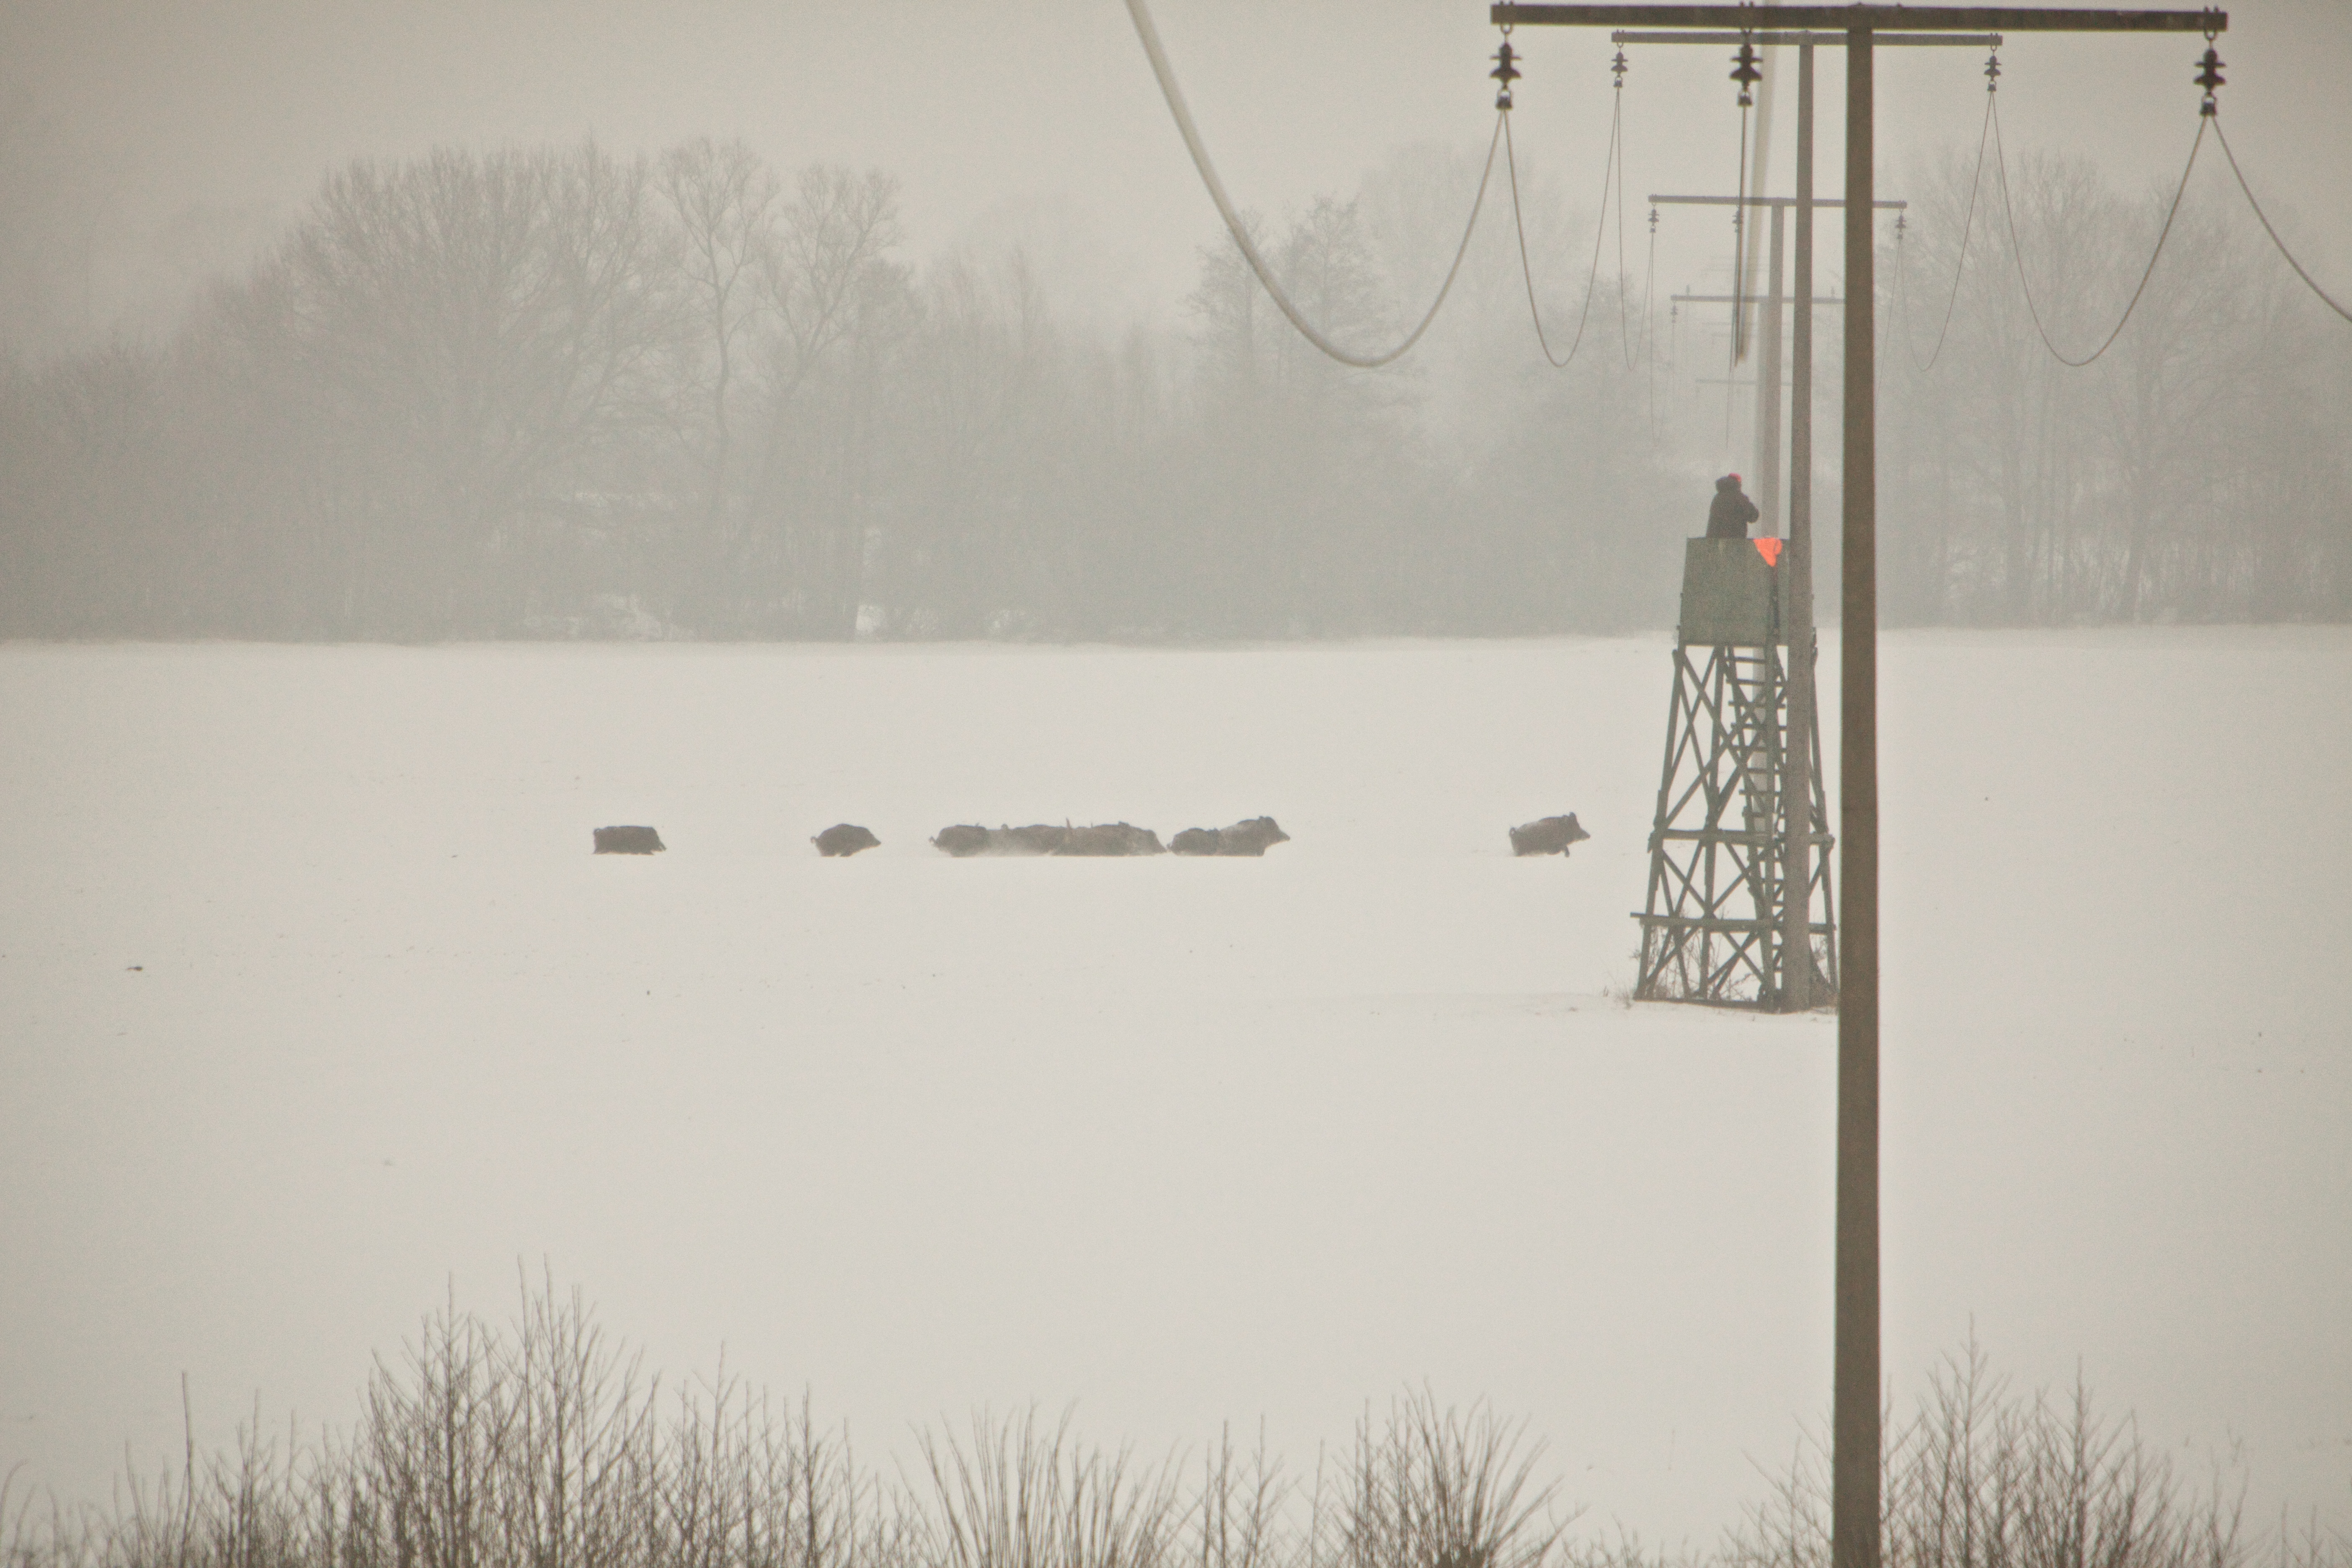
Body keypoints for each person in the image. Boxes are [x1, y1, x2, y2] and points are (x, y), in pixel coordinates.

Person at [1706, 473, 1760, 539]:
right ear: (1738, 484)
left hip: (1716, 540)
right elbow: (1753, 517)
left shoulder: (1718, 498)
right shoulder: (1740, 498)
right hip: (1735, 541)